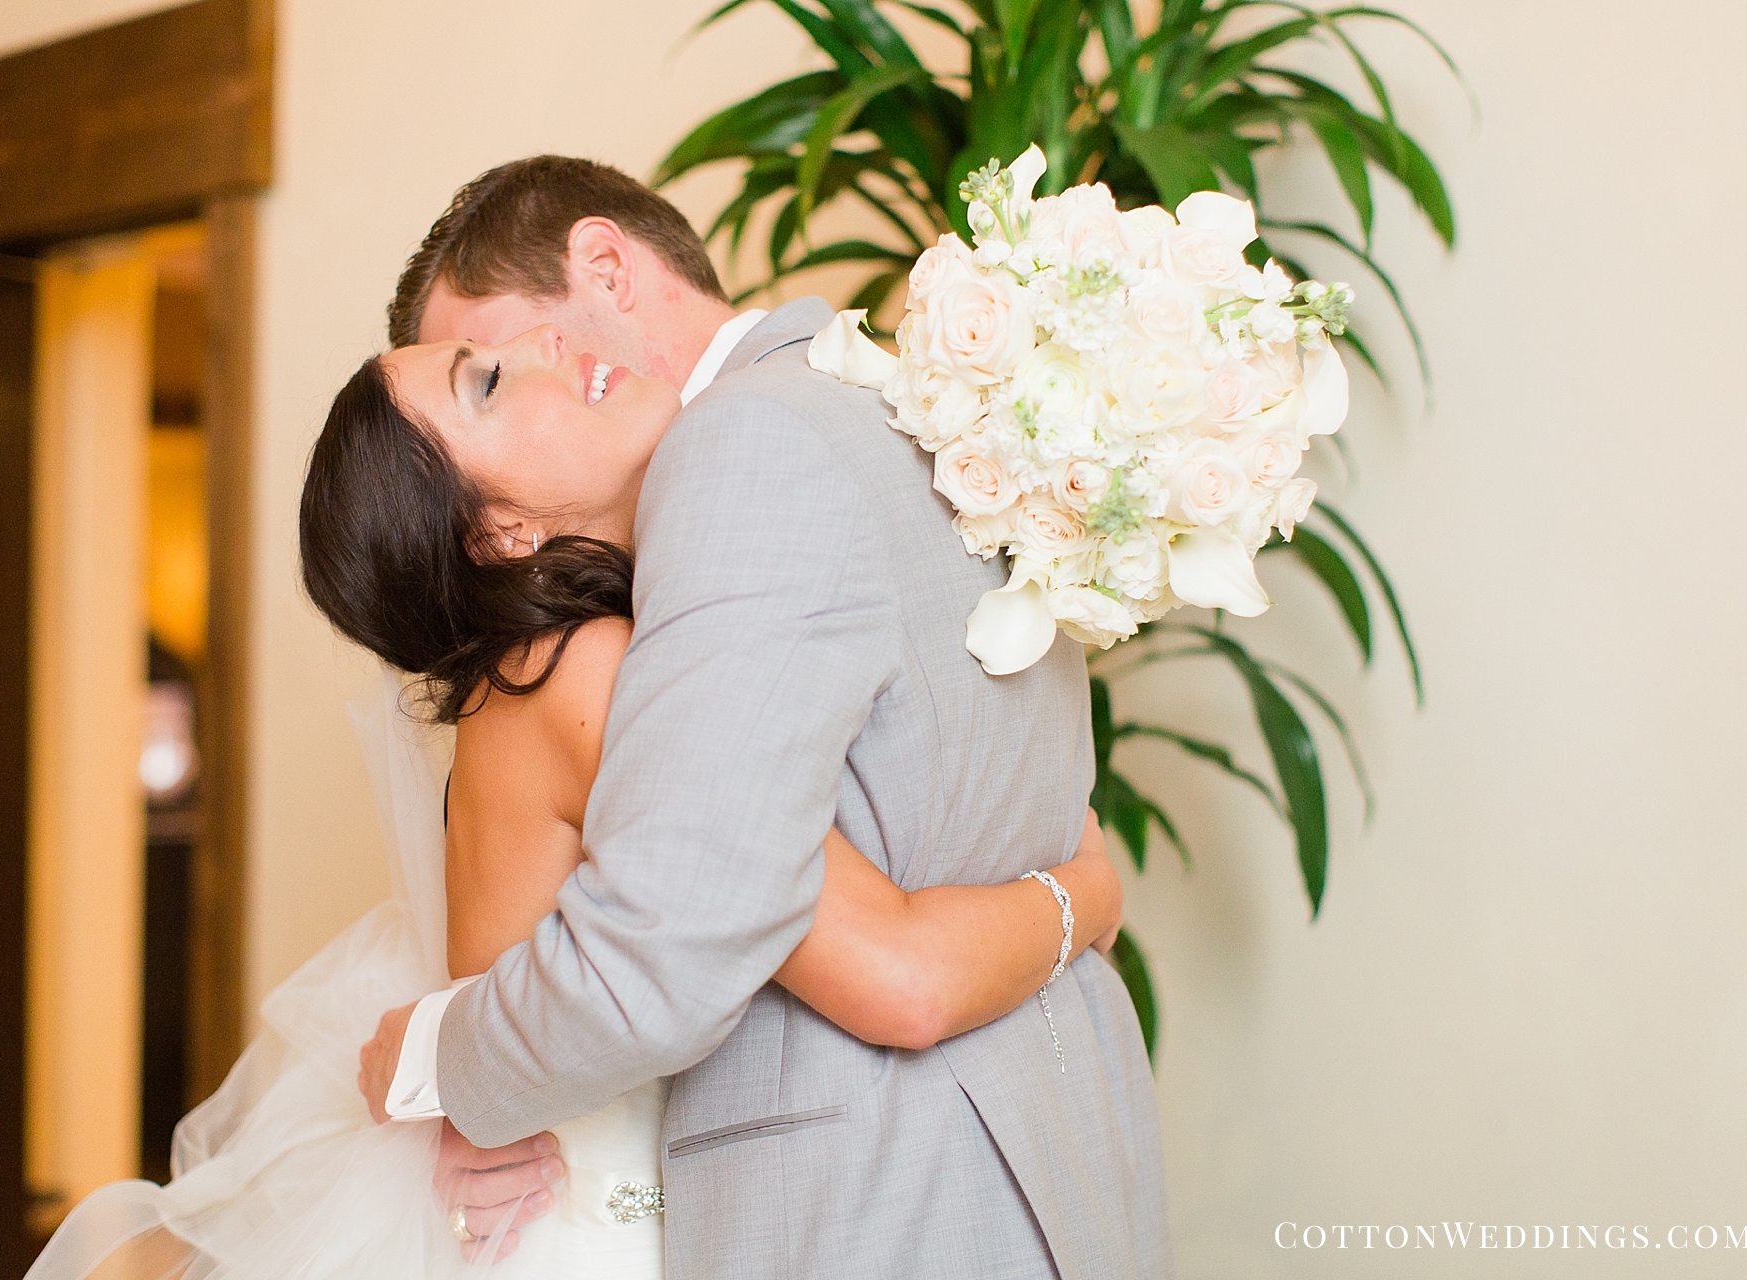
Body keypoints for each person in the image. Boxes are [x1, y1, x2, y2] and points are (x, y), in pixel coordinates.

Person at [355, 157, 1171, 1278]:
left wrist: (440, 1058)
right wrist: (1089, 888)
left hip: (890, 1201)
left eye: (502, 340)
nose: (545, 357)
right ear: (488, 531)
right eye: (484, 380)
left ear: (605, 264)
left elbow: (709, 939)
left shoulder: (744, 449)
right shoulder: (902, 404)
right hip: (1041, 1156)